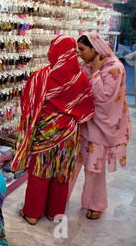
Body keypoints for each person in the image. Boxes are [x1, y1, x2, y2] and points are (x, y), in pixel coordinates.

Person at [11, 34, 95, 225]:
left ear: (54, 51)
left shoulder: (42, 75)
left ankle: (32, 214)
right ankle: (55, 212)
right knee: (62, 173)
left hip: (45, 132)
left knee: (40, 172)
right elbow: (86, 108)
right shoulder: (80, 77)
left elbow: (27, 102)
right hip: (69, 134)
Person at [71, 32, 131, 220]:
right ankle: (59, 199)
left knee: (94, 167)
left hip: (100, 127)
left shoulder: (115, 68)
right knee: (72, 164)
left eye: (82, 49)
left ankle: (95, 203)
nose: (79, 53)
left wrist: (96, 72)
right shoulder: (87, 65)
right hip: (84, 123)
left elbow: (104, 98)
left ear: (94, 49)